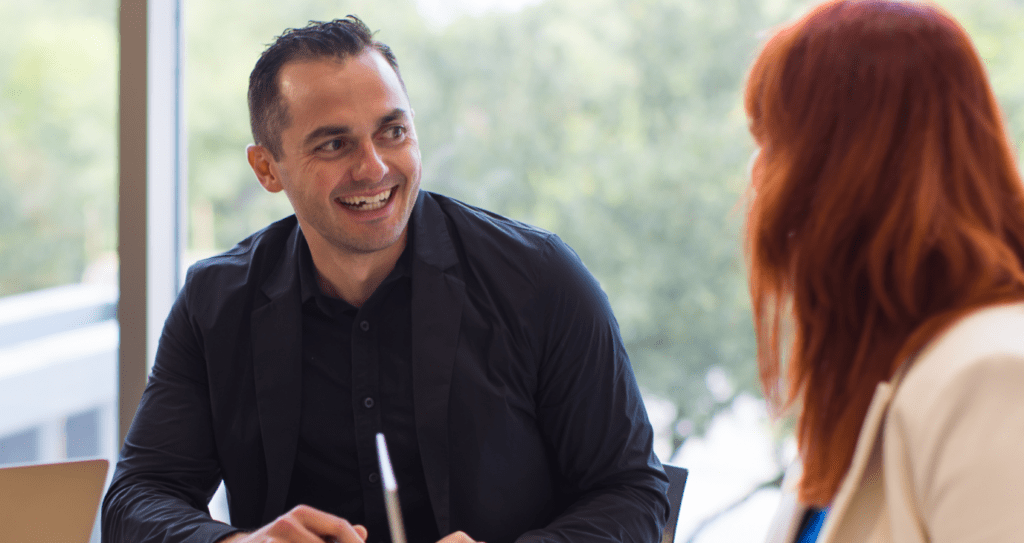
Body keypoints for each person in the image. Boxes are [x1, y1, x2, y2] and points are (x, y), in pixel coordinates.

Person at [101, 16, 669, 543]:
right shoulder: (214, 303)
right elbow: (136, 499)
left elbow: (632, 494)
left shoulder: (541, 278)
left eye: (392, 131)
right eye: (334, 143)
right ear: (267, 169)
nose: (374, 167)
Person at [743, 1, 1024, 542]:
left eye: (774, 143)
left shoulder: (992, 375)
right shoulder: (871, 383)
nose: (758, 180)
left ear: (850, 163)